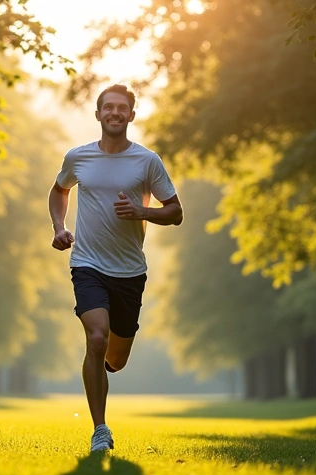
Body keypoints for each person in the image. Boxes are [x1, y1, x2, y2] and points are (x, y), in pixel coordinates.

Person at [48, 84, 183, 452]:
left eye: (122, 108)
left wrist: (143, 212)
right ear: (98, 114)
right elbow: (60, 190)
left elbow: (176, 212)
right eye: (108, 107)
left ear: (131, 115)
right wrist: (60, 229)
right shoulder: (79, 157)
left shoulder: (147, 161)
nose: (114, 112)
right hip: (87, 264)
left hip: (129, 272)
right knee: (96, 337)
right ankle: (100, 430)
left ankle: (106, 364)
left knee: (116, 359)